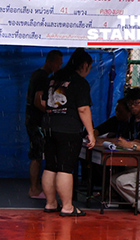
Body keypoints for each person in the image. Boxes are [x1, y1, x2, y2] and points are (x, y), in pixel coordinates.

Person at [42, 48, 95, 218]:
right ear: (85, 65)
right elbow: (83, 109)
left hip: (49, 126)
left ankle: (50, 203)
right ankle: (67, 207)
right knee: (65, 168)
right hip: (69, 129)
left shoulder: (54, 78)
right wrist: (91, 133)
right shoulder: (79, 82)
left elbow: (43, 102)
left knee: (50, 166)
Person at [26, 50, 63, 199]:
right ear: (50, 61)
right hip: (36, 122)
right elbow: (37, 100)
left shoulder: (37, 74)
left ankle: (36, 187)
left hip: (32, 120)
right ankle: (34, 189)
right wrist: (50, 111)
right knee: (37, 155)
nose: (59, 67)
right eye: (58, 64)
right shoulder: (42, 77)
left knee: (37, 154)